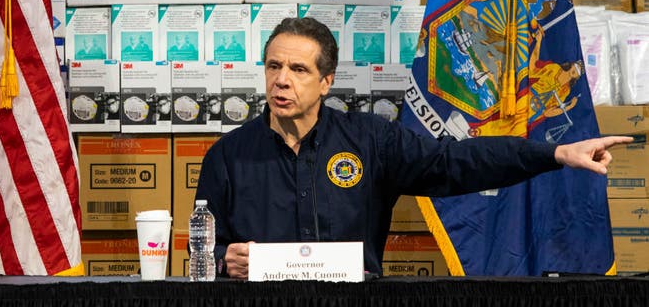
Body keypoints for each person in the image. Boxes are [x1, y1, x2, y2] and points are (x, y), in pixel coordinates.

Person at [194, 17, 632, 279]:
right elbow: (201, 251)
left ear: (326, 82)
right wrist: (220, 259)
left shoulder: (371, 140)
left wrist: (553, 154)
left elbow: (457, 161)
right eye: (274, 66)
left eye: (298, 69)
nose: (282, 80)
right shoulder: (227, 157)